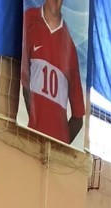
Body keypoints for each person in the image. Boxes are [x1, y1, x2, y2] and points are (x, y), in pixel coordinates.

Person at [21, 0, 86, 146]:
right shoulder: (29, 19)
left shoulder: (70, 47)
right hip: (31, 140)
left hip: (56, 151)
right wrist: (35, 125)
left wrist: (61, 144)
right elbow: (24, 81)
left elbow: (78, 117)